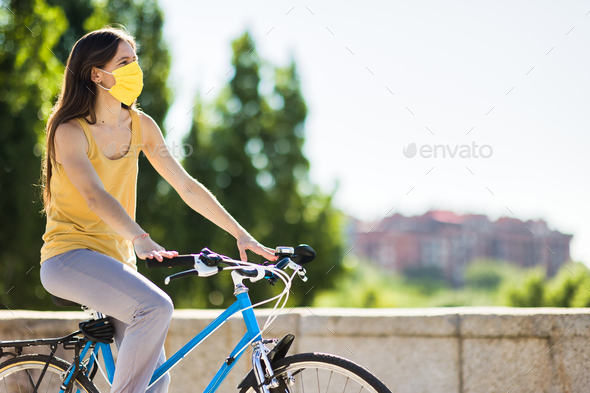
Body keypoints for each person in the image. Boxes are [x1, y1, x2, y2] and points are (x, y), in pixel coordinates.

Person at [38, 26, 278, 393]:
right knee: (157, 307)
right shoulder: (69, 132)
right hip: (67, 258)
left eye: (135, 61)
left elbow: (186, 186)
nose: (135, 69)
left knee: (157, 380)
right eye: (124, 62)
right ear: (96, 74)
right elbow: (94, 196)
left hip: (115, 264)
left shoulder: (140, 126)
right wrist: (139, 237)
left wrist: (240, 234)